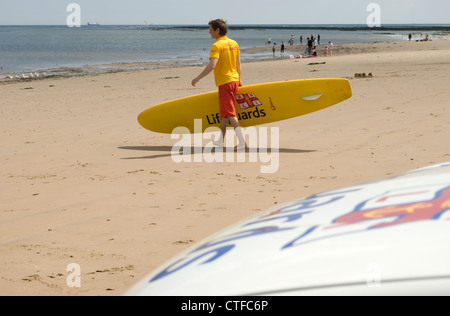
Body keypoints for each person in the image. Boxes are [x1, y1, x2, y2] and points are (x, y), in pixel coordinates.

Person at [191, 19, 246, 150]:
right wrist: (239, 79)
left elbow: (212, 64)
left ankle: (242, 142)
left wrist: (198, 78)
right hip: (234, 80)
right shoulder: (234, 43)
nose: (209, 32)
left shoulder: (216, 46)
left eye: (210, 29)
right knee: (224, 113)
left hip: (225, 83)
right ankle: (220, 141)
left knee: (231, 114)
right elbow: (238, 64)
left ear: (217, 30)